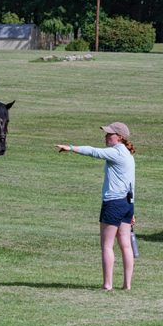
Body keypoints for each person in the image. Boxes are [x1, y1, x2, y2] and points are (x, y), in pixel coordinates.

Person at [56, 122, 137, 291]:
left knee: (107, 245)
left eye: (109, 134)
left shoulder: (116, 152)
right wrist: (131, 210)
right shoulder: (128, 155)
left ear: (120, 137)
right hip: (127, 204)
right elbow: (131, 183)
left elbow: (93, 151)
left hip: (113, 203)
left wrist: (70, 148)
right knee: (126, 245)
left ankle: (107, 285)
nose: (106, 136)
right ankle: (127, 285)